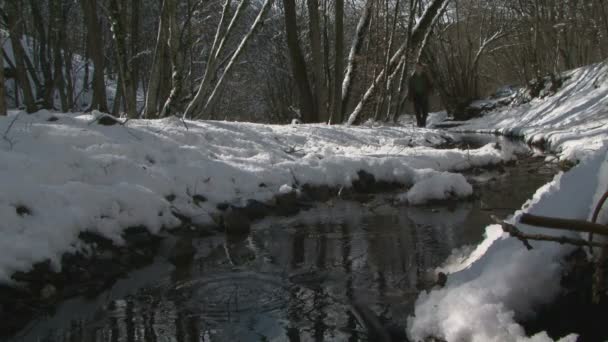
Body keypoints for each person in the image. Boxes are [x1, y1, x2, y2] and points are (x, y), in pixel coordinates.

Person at [408, 62, 434, 128]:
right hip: (416, 95)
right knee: (417, 111)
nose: (418, 69)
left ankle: (423, 123)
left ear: (422, 68)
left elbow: (430, 84)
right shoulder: (412, 77)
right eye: (416, 67)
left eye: (419, 67)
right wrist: (410, 96)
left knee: (425, 111)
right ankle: (419, 124)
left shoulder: (425, 76)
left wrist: (429, 91)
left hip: (424, 95)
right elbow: (410, 87)